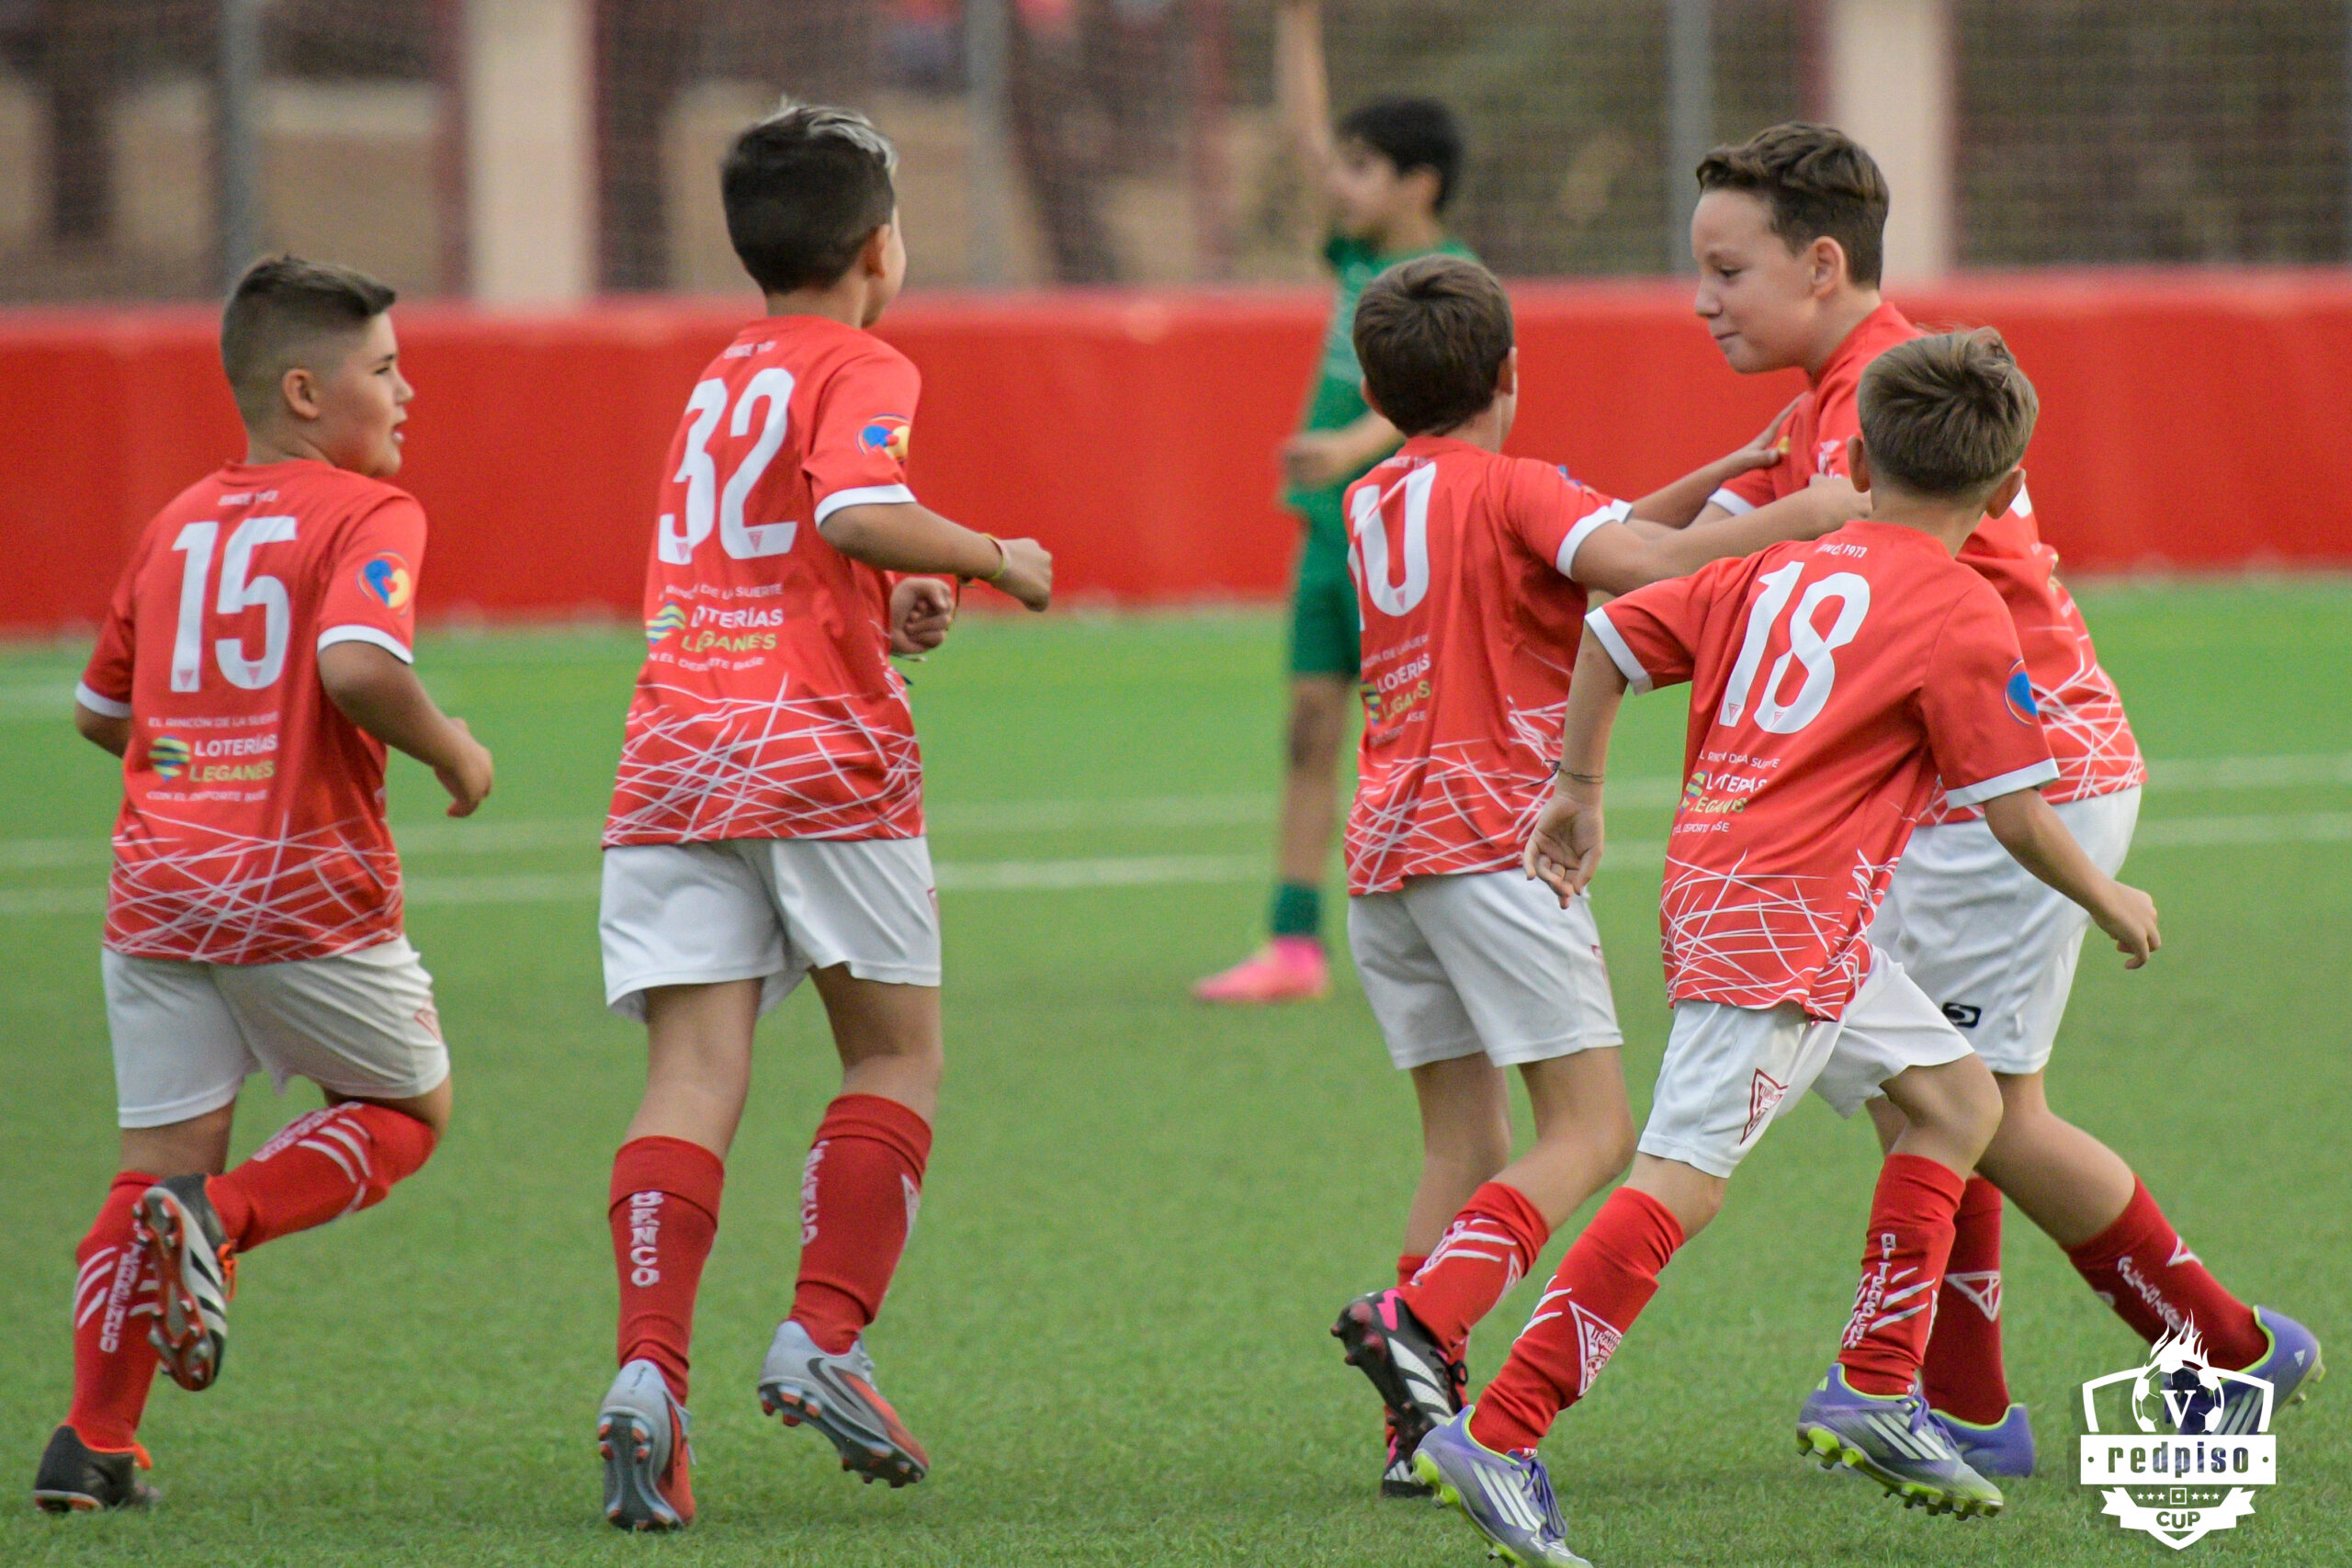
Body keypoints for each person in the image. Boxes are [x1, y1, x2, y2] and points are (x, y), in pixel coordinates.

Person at [1413, 331, 2165, 1566]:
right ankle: (1501, 1432)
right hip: (1787, 922)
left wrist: (1579, 791)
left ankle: (1874, 1381)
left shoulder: (1772, 565)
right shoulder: (1963, 609)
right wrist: (2107, 894)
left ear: (1855, 461)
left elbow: (1609, 641)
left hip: (1757, 899)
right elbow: (2019, 812)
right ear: (2004, 491)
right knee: (1682, 1179)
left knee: (1957, 1100)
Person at [1675, 121, 2319, 1470]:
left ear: (1822, 263)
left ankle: (2213, 1355)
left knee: (1974, 1106)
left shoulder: (1876, 398)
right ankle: (1979, 1400)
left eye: (1728, 270)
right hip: (1964, 786)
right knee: (1934, 1091)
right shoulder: (1843, 395)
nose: (1703, 300)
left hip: (2020, 783)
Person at [1317, 255, 1860, 1497]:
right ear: (1512, 371)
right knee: (1594, 1129)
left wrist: (1718, 476)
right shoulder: (1514, 486)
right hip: (1490, 841)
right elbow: (1641, 565)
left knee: (1463, 1140)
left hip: (1388, 853)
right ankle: (1421, 1316)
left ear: (1380, 395)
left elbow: (1587, 536)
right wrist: (1804, 513)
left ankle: (1417, 1427)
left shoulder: (1371, 498)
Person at [591, 104, 1053, 1533]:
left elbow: (788, 548)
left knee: (691, 1070)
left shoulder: (720, 374)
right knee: (895, 1051)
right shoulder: (864, 359)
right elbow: (853, 505)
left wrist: (897, 595)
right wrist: (996, 556)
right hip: (815, 750)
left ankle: (647, 1373)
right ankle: (824, 1333)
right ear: (877, 246)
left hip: (674, 745)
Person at [33, 256, 494, 1512]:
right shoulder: (365, 512)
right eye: (384, 369)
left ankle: (92, 1440)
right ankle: (224, 1214)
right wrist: (452, 747)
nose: (407, 392)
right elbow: (358, 664)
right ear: (304, 391)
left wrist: (206, 747)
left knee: (148, 1164)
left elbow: (100, 711)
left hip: (157, 888)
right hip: (300, 885)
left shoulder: (177, 521)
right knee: (407, 1108)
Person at [1193, 0, 1477, 1003]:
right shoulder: (1354, 259)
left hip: (1410, 538)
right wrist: (1297, 24)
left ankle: (1465, 926)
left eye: (1362, 168)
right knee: (1312, 725)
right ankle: (1293, 945)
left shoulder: (1450, 280)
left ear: (1417, 185)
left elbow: (1435, 401)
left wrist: (1348, 446)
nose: (1337, 181)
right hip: (1330, 534)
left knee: (1428, 741)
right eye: (1344, 165)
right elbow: (1303, 139)